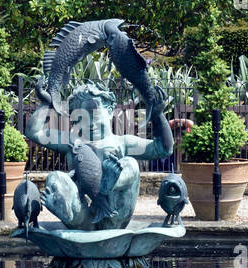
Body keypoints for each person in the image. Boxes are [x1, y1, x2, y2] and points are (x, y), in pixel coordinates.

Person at [26, 81, 173, 230]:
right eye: (81, 118)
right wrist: (46, 103)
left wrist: (158, 115)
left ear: (110, 110)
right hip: (81, 220)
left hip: (114, 216)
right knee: (56, 177)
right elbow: (34, 132)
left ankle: (109, 183)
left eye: (94, 114)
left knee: (130, 163)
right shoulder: (72, 142)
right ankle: (66, 209)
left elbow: (163, 149)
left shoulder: (122, 143)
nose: (89, 123)